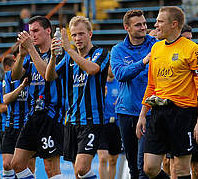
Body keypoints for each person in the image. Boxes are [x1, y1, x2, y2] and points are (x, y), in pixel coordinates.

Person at [136, 6, 198, 179]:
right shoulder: (156, 48)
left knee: (181, 169)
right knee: (150, 168)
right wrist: (142, 114)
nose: (155, 25)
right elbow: (151, 85)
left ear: (174, 24)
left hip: (183, 114)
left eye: (160, 21)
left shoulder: (193, 49)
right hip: (158, 113)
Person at [46, 16, 109, 179]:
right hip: (71, 121)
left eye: (81, 34)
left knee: (82, 168)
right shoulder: (68, 58)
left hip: (91, 120)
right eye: (74, 35)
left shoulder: (100, 53)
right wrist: (53, 56)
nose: (77, 38)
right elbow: (49, 76)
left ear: (90, 34)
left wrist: (70, 50)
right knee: (77, 173)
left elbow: (93, 69)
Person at [11, 16, 65, 179]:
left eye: (36, 31)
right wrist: (21, 56)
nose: (32, 35)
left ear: (48, 31)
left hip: (51, 115)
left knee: (51, 168)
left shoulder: (59, 52)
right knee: (17, 164)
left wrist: (31, 50)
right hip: (33, 115)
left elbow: (47, 75)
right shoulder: (30, 56)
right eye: (30, 31)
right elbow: (15, 75)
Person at [163, 24, 198, 179]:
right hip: (174, 118)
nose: (190, 42)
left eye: (191, 39)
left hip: (194, 119)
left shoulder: (195, 58)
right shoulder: (172, 61)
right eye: (186, 39)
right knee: (170, 165)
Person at [110, 9, 156, 179]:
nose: (143, 27)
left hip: (150, 112)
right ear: (126, 27)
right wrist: (143, 62)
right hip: (125, 112)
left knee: (144, 166)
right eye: (138, 25)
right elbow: (120, 74)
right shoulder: (118, 50)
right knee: (133, 167)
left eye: (144, 23)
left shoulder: (156, 44)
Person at [1, 53, 36, 179]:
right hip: (11, 126)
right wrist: (21, 87)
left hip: (27, 127)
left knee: (29, 167)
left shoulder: (33, 76)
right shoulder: (8, 76)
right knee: (6, 164)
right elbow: (6, 99)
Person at [97, 67, 123, 179]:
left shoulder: (120, 83)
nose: (112, 69)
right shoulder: (100, 83)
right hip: (103, 124)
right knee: (103, 157)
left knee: (113, 160)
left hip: (116, 125)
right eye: (110, 66)